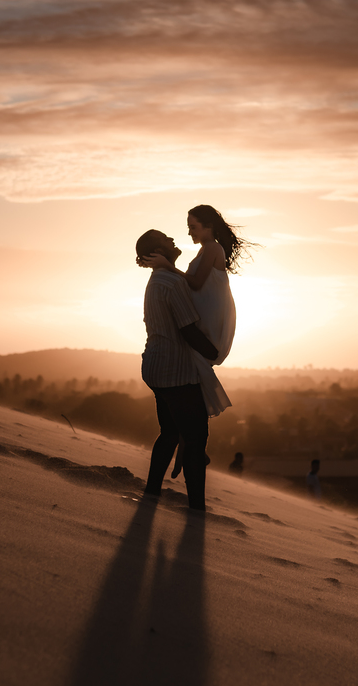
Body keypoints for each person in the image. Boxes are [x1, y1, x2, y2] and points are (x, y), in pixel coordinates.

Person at [143, 205, 253, 474]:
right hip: (201, 317)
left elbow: (194, 283)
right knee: (192, 375)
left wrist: (168, 267)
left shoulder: (213, 248)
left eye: (193, 226)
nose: (189, 231)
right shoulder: (205, 250)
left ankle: (190, 443)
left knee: (193, 369)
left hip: (210, 322)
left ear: (208, 226)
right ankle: (189, 442)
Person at [135, 229, 220, 512]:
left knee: (170, 432)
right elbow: (188, 329)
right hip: (176, 371)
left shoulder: (158, 279)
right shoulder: (171, 281)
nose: (172, 240)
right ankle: (196, 508)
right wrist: (214, 352)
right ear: (154, 252)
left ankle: (151, 492)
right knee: (195, 439)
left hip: (155, 367)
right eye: (165, 240)